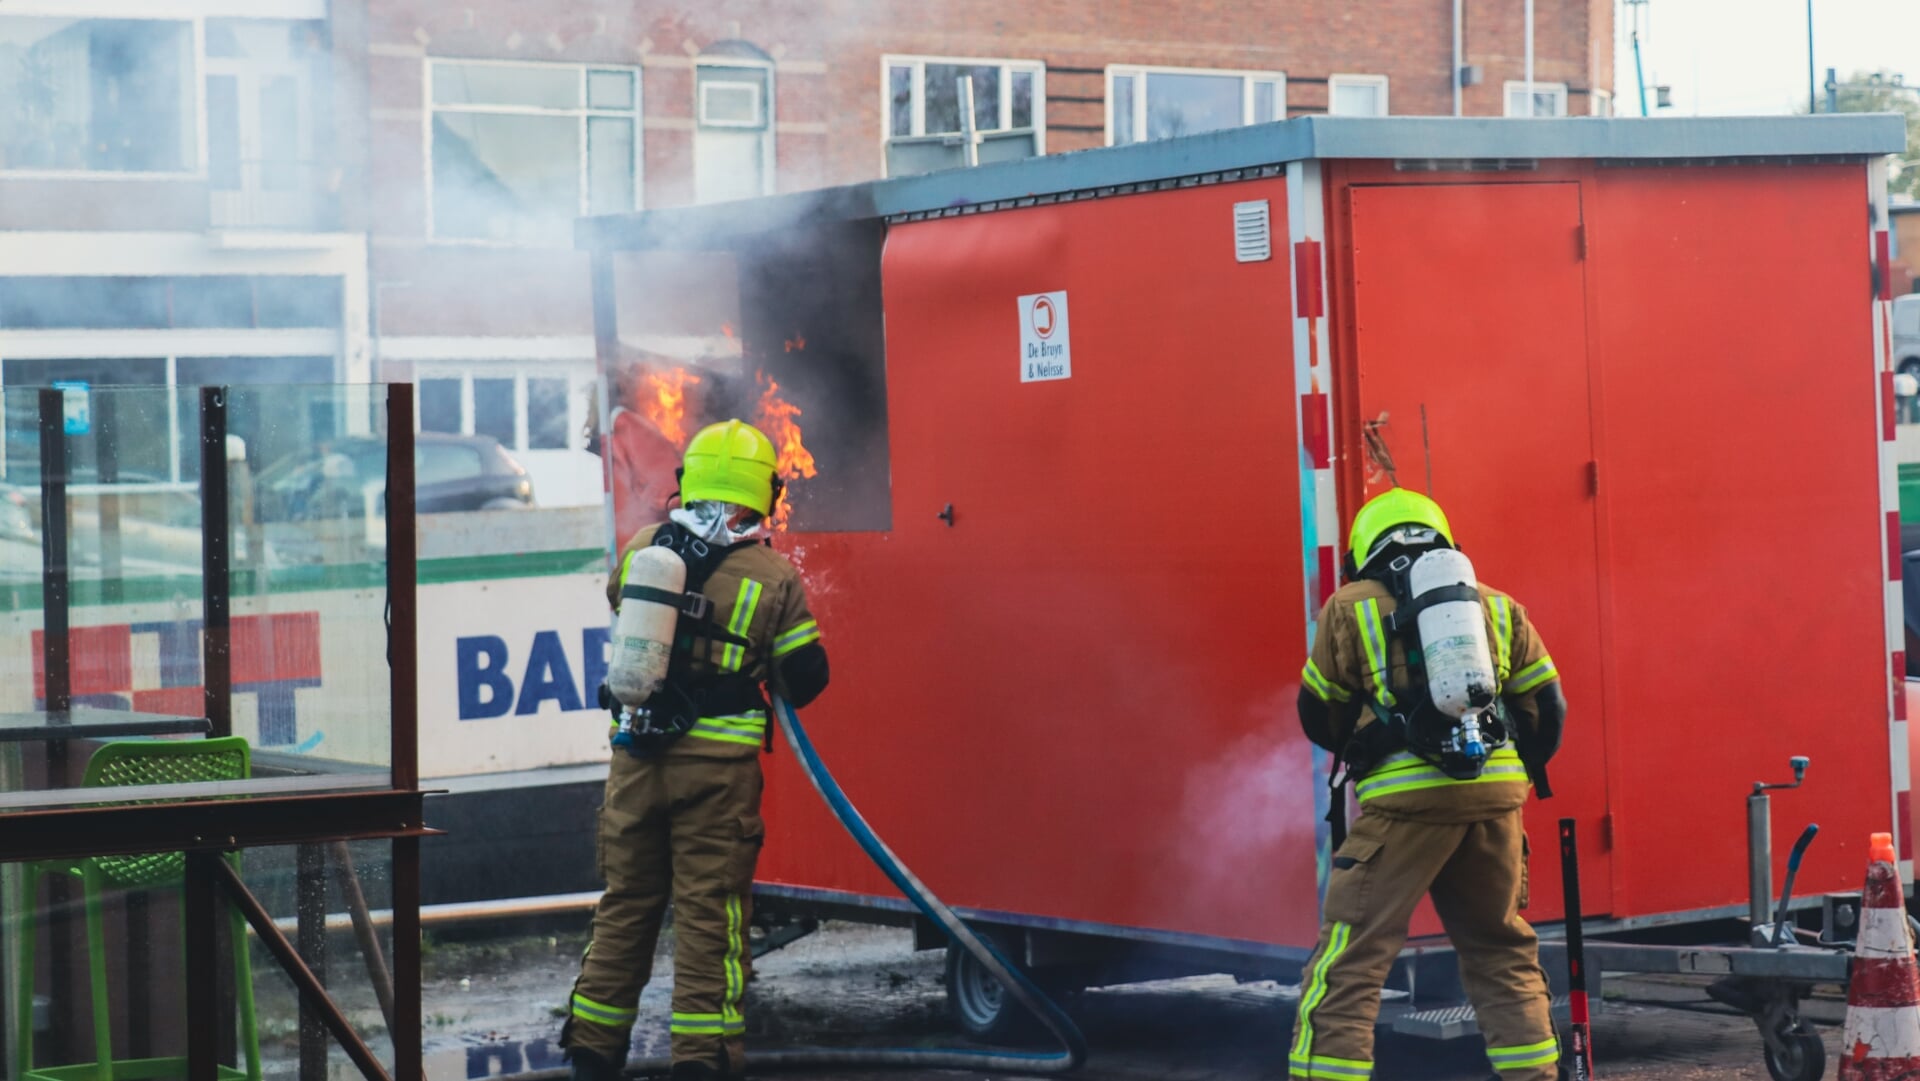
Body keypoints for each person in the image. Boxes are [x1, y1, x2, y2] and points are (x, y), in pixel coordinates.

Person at [563, 420, 830, 1081]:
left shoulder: (644, 548)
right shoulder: (772, 575)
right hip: (715, 779)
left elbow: (621, 599)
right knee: (711, 915)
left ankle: (592, 1050)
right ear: (761, 493)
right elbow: (806, 678)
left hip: (636, 764)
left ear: (691, 481)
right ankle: (701, 1060)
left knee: (627, 904)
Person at [1291, 488, 1569, 1081]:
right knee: (1501, 953)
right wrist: (1514, 773)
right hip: (1495, 802)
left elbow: (1318, 712)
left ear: (1363, 550)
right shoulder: (1497, 605)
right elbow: (1547, 709)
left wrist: (1367, 750)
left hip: (1404, 809)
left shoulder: (1348, 608)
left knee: (1351, 958)